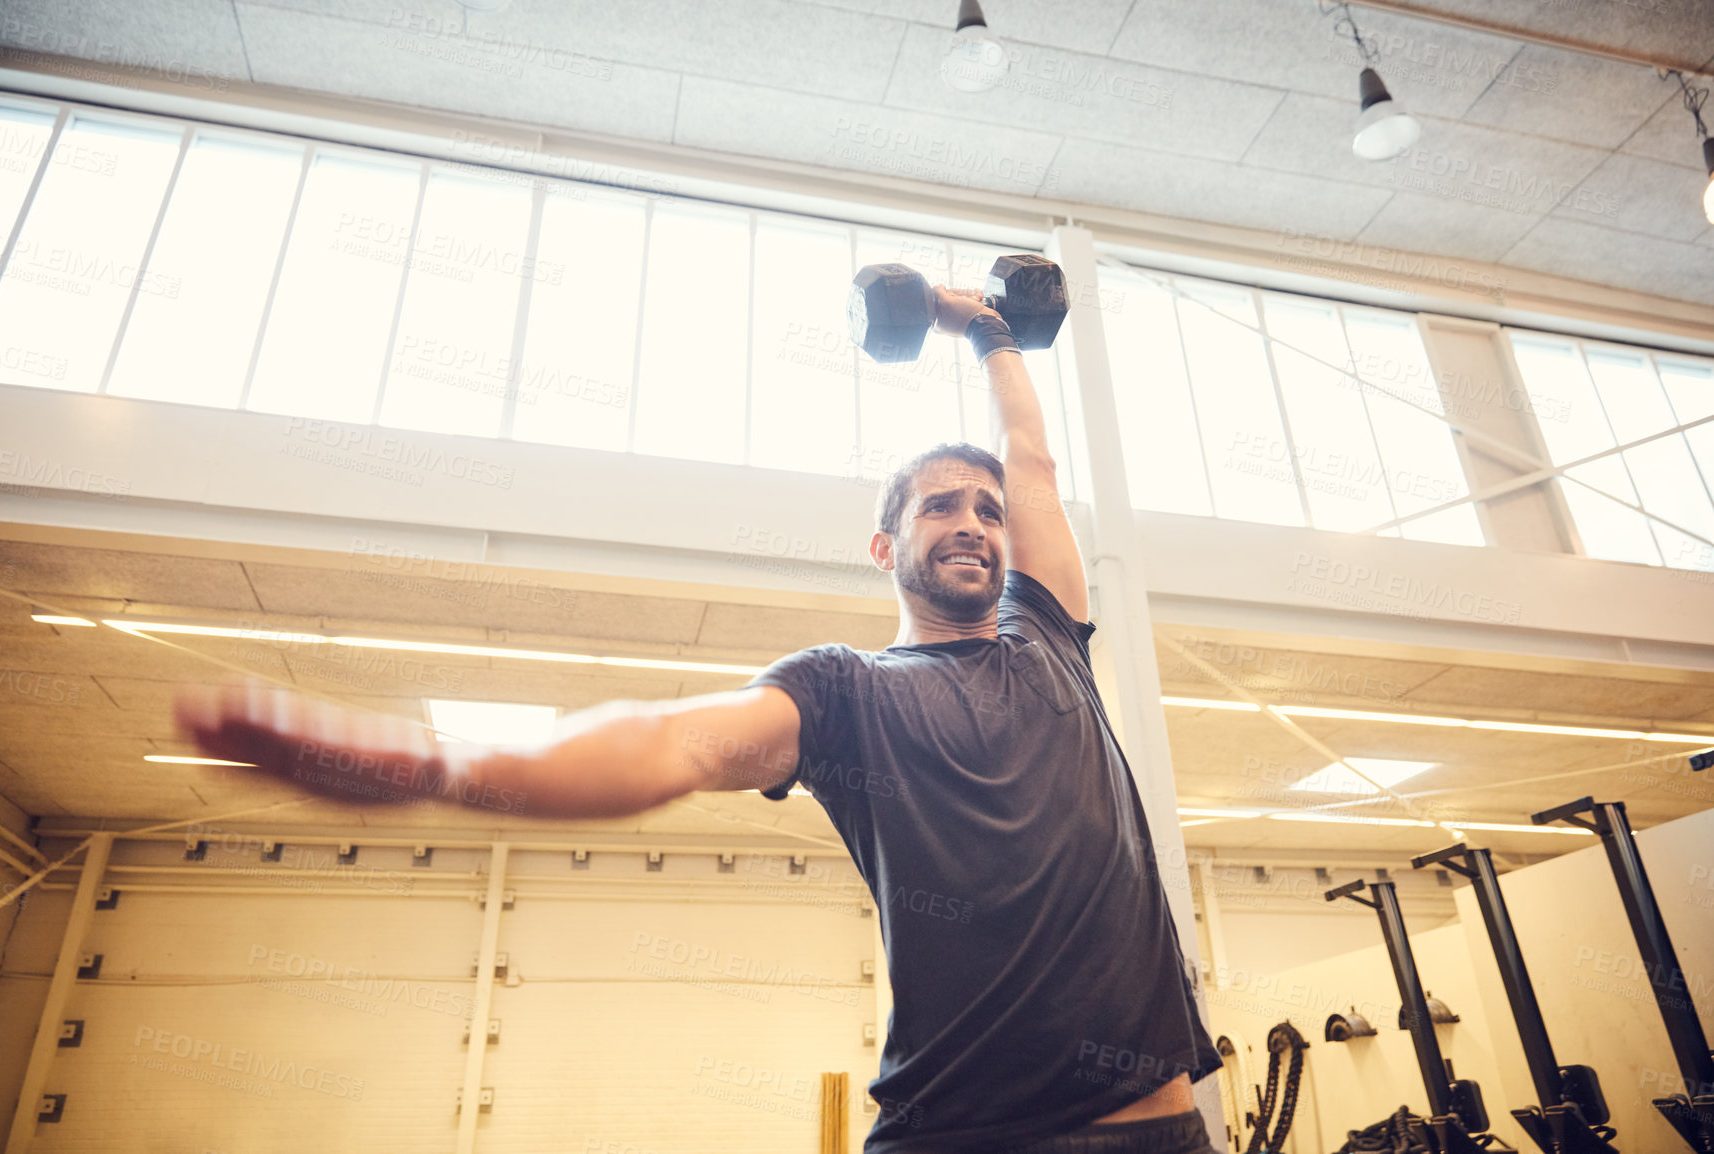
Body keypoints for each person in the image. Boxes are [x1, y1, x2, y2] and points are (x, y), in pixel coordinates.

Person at [175, 283, 1221, 1153]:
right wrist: (440, 766)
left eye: (986, 511)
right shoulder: (845, 690)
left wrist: (988, 331)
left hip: (1149, 1126)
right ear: (883, 545)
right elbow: (668, 743)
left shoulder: (1049, 636)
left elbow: (1031, 457)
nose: (972, 523)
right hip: (952, 1130)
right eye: (940, 505)